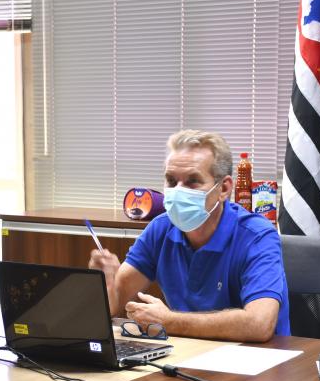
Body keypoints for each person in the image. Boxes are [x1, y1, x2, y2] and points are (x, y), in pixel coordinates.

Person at [89, 129, 289, 342]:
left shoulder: (256, 236)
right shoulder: (160, 229)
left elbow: (259, 324)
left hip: (258, 363)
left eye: (192, 181)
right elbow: (114, 304)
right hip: (186, 355)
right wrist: (106, 284)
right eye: (171, 181)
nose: (178, 191)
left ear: (224, 188)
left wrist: (170, 322)